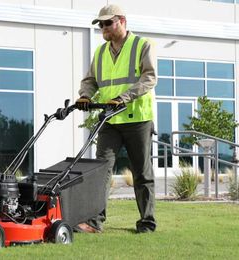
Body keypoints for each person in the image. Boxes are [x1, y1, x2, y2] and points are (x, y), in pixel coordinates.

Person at [74, 4, 157, 234]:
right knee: (101, 169)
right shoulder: (100, 52)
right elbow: (90, 80)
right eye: (100, 24)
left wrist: (125, 96)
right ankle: (94, 221)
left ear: (122, 21)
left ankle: (147, 223)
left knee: (141, 172)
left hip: (137, 118)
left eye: (108, 23)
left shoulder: (142, 45)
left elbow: (149, 78)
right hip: (110, 120)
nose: (103, 28)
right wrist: (85, 95)